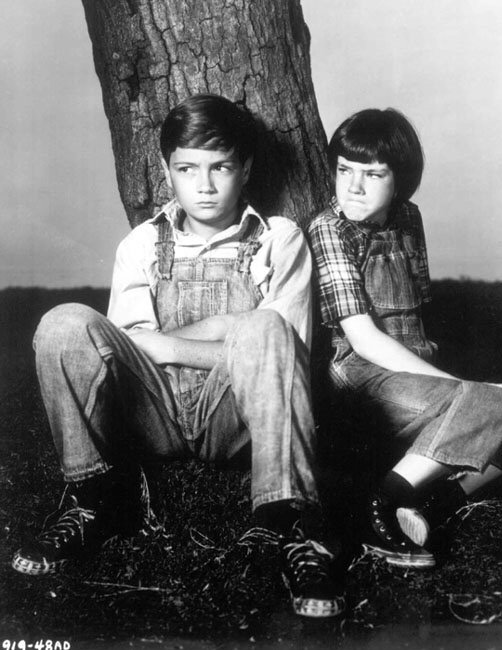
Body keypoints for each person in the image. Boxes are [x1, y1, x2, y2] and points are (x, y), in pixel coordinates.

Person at [12, 94, 345, 618]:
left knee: (266, 328)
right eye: (188, 169)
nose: (204, 186)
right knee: (63, 323)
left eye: (221, 168)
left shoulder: (278, 239)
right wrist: (227, 335)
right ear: (167, 172)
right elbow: (122, 350)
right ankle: (92, 499)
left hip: (235, 417)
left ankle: (287, 522)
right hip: (157, 413)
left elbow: (285, 354)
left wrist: (169, 344)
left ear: (246, 169)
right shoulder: (142, 244)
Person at [307, 108, 502, 569]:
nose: (353, 187)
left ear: (400, 181)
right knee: (491, 402)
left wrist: (458, 390)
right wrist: (464, 389)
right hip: (360, 371)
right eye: (344, 170)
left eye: (372, 174)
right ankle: (378, 509)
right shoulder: (330, 228)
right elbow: (363, 339)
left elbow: (418, 313)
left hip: (415, 368)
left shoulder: (409, 218)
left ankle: (434, 505)